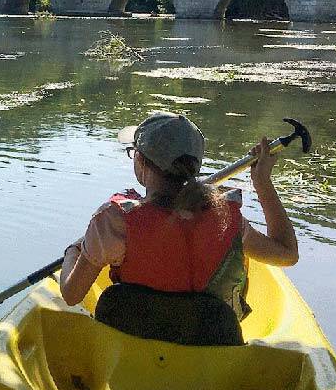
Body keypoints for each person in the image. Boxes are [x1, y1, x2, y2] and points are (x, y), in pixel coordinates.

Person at [60, 112, 299, 344]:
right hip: (208, 355)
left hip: (131, 354)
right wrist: (263, 183)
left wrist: (73, 250)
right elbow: (287, 254)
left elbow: (71, 295)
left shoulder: (114, 222)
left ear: (140, 161)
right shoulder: (227, 218)